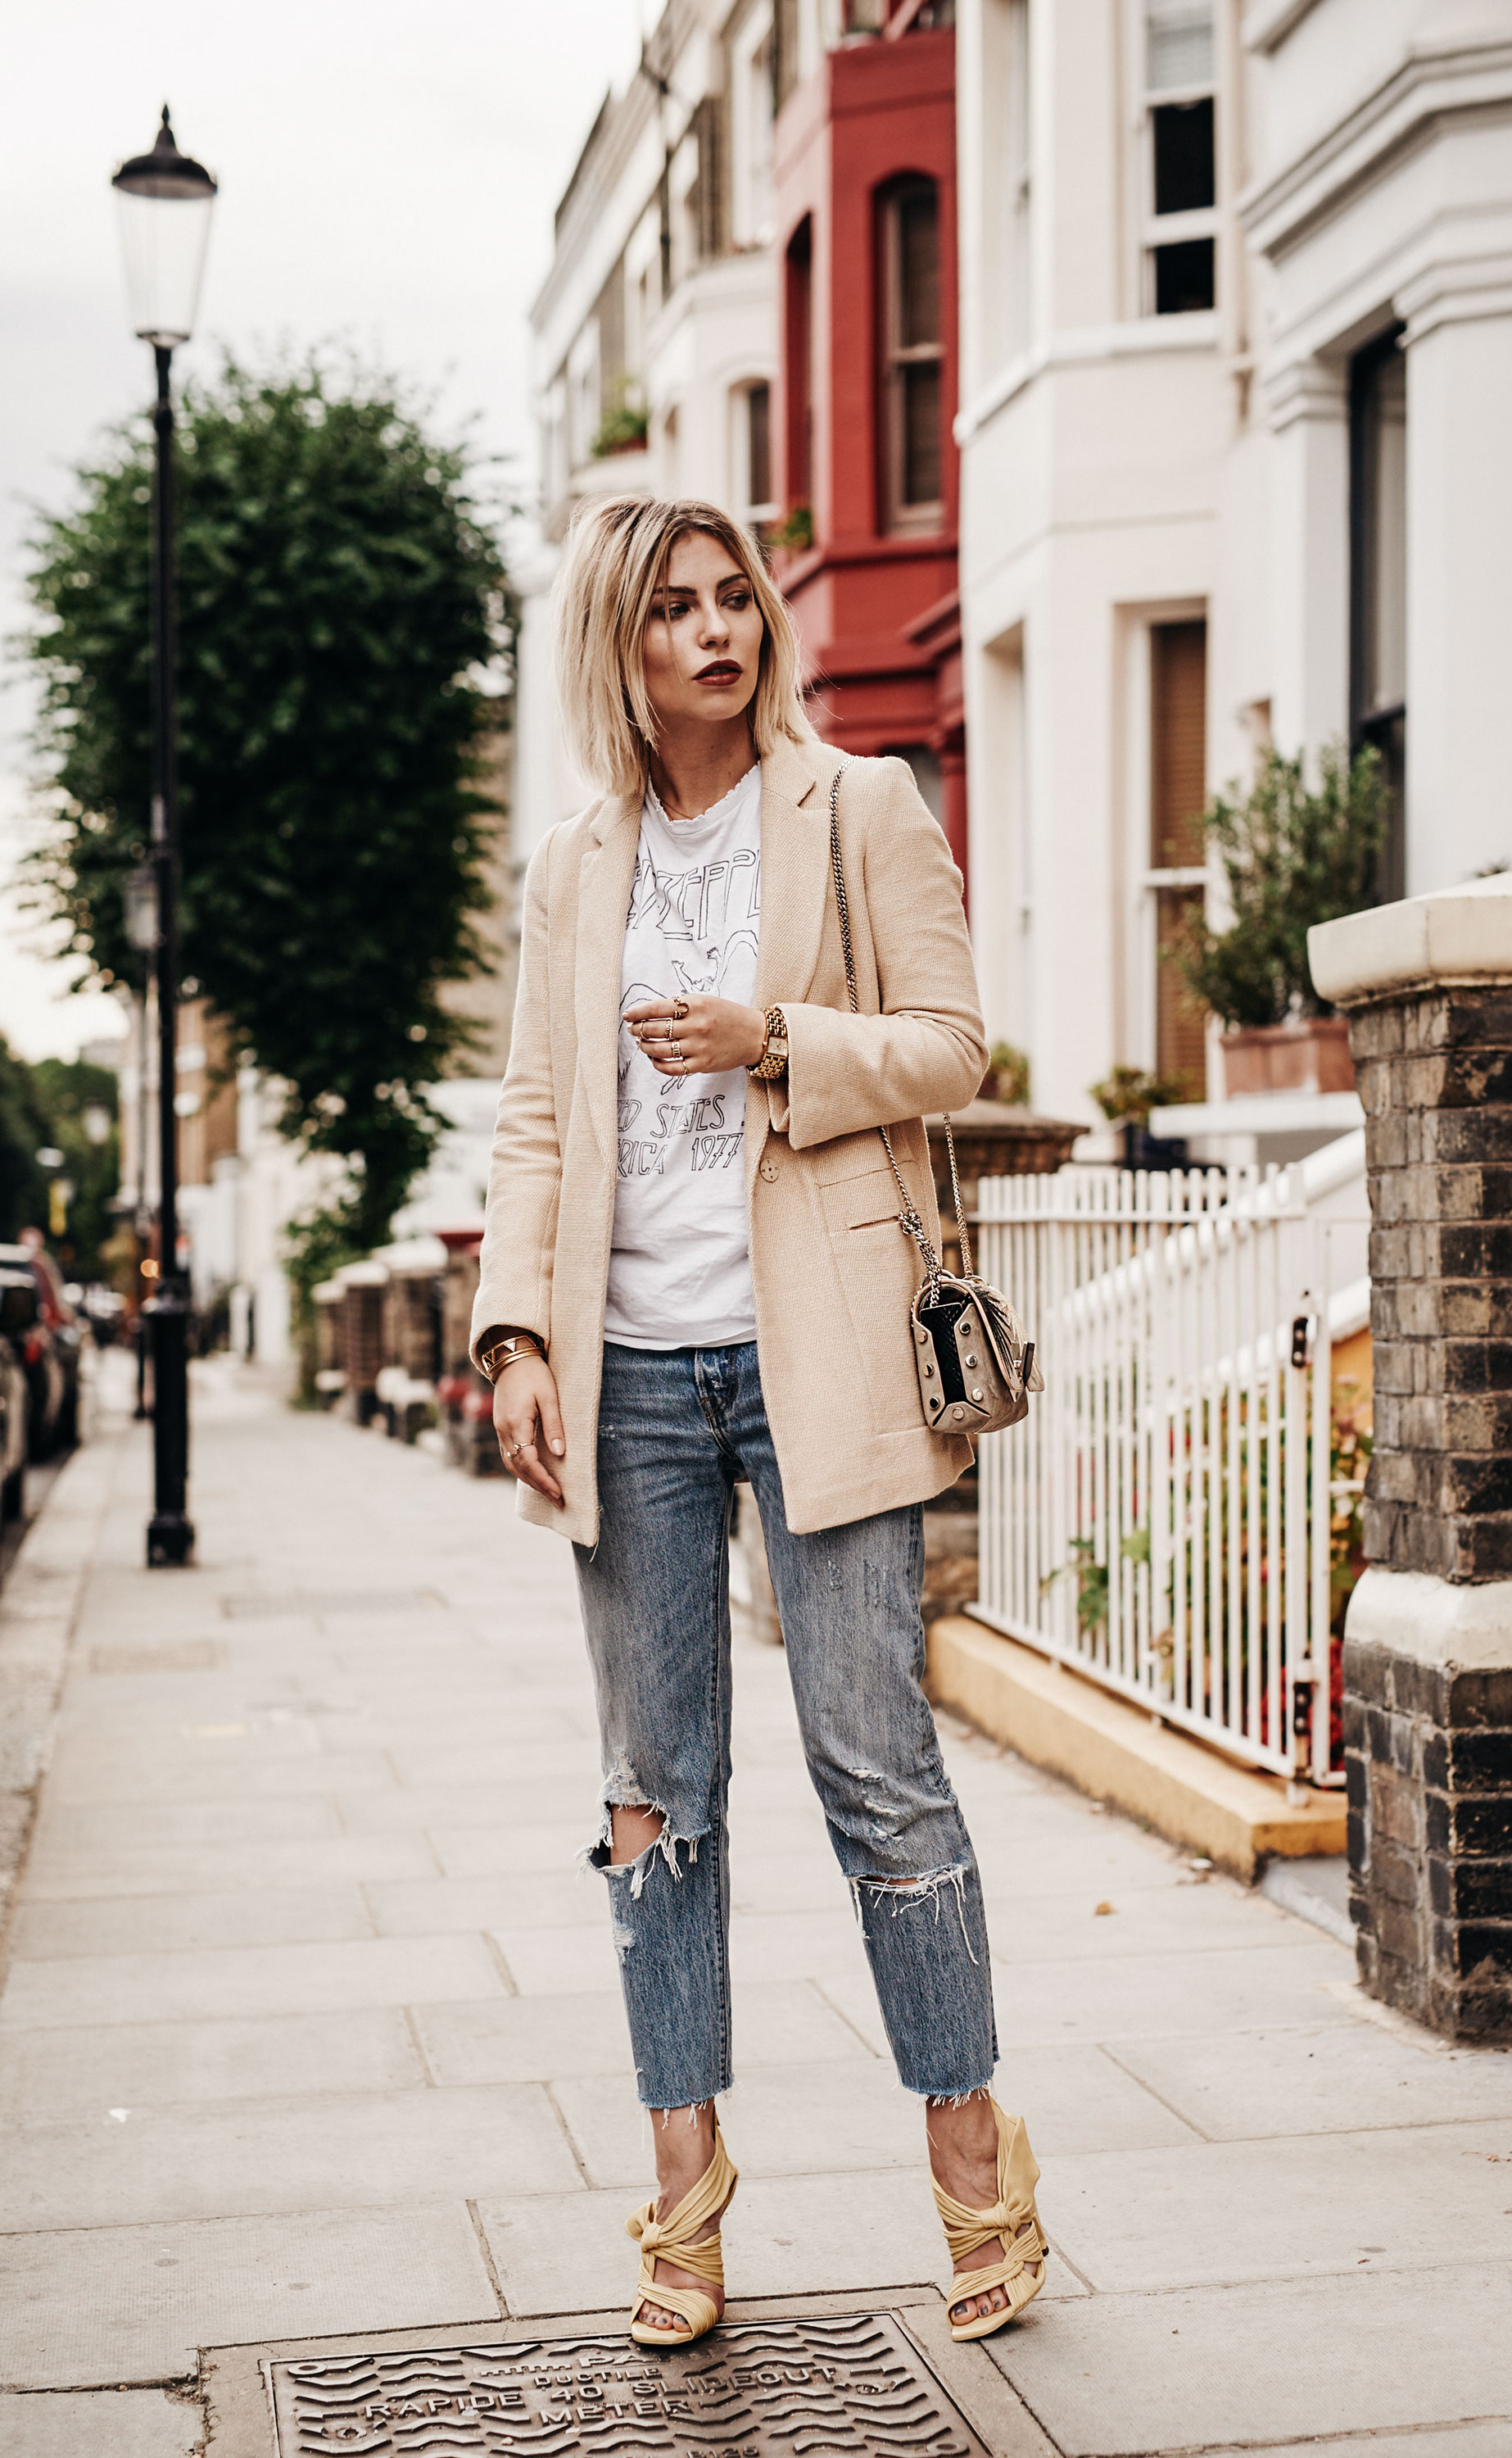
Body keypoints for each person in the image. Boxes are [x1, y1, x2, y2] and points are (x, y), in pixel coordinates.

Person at [470, 493, 1046, 2350]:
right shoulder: (574, 866)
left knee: (878, 1768)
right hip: (627, 1364)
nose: (717, 631)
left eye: (735, 600)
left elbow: (958, 1047)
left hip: (820, 1355)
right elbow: (540, 1117)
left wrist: (777, 1036)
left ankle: (971, 2163)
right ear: (616, 651)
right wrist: (512, 1344)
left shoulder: (857, 803)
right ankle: (682, 2197)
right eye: (672, 611)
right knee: (656, 1801)